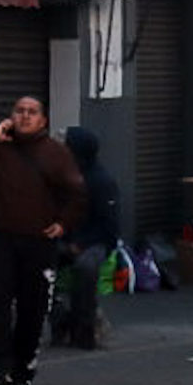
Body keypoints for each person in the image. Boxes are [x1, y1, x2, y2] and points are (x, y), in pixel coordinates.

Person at [0, 94, 87, 385]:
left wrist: (63, 223)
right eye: (20, 111)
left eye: (32, 112)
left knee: (32, 307)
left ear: (43, 120)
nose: (25, 116)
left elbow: (77, 191)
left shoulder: (56, 153)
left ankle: (23, 371)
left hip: (38, 240)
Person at [60, 125, 122, 348]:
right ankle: (60, 321)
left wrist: (81, 243)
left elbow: (109, 226)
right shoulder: (63, 176)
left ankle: (85, 327)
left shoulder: (101, 182)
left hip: (95, 242)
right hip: (66, 238)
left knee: (85, 268)